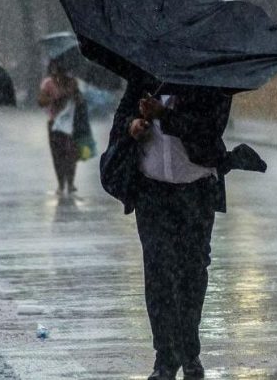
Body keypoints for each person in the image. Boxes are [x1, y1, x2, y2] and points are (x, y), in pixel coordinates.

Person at [102, 77, 265, 380]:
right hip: (151, 191)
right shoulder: (145, 71)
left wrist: (164, 115)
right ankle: (165, 357)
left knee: (191, 271)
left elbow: (209, 131)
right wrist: (133, 125)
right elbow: (121, 117)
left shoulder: (211, 78)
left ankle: (189, 352)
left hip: (197, 189)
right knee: (158, 271)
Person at [38, 60, 91, 196]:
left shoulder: (73, 83)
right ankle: (61, 184)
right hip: (54, 123)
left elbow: (80, 101)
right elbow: (41, 101)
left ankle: (71, 182)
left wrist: (73, 94)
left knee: (71, 153)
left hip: (71, 123)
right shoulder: (48, 84)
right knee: (58, 154)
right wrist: (55, 99)